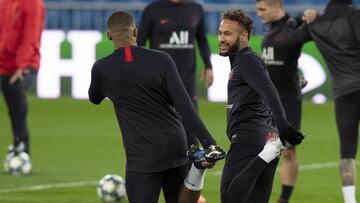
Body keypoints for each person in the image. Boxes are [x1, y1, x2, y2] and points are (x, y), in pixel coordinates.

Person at [88, 11, 225, 203]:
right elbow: (185, 105)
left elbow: (94, 98)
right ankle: (198, 168)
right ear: (135, 32)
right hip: (176, 146)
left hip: (142, 155)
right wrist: (209, 143)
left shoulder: (101, 68)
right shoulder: (162, 60)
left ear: (109, 35)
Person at [217, 9, 304, 203]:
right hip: (264, 136)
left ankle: (269, 152)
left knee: (230, 198)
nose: (221, 38)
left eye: (228, 33)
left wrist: (284, 126)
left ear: (244, 36)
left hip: (249, 139)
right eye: (220, 33)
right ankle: (269, 151)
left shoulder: (247, 59)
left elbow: (268, 90)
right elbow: (265, 93)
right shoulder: (242, 60)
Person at [290, 1, 360, 202]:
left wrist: (301, 19)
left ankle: (349, 201)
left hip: (343, 93)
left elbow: (291, 39)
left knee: (347, 151)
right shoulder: (355, 16)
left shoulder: (316, 22)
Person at [255, 0, 307, 202]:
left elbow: (312, 31)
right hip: (266, 100)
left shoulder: (294, 27)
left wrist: (307, 17)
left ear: (276, 5)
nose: (258, 14)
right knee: (260, 148)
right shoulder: (269, 31)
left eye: (262, 9)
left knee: (288, 151)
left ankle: (283, 199)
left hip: (288, 99)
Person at [0, 0, 45, 155]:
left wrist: (22, 65)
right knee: (12, 108)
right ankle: (18, 146)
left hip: (27, 63)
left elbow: (30, 35)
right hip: (4, 64)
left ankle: (22, 147)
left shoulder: (33, 3)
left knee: (16, 91)